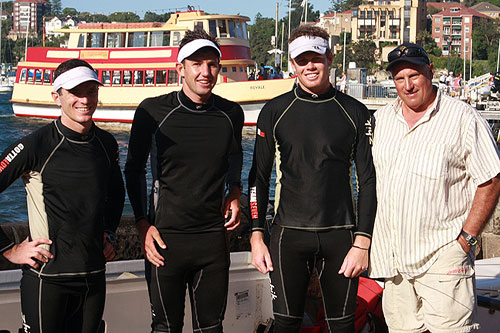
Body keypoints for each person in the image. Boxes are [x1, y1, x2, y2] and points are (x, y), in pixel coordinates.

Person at [248, 25, 377, 333]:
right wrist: (255, 235)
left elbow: (368, 180)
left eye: (316, 58)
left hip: (341, 237)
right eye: (301, 60)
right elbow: (258, 178)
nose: (309, 66)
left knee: (343, 326)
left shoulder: (355, 112)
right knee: (285, 324)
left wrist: (363, 240)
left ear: (330, 58)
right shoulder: (275, 111)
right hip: (287, 236)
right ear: (292, 64)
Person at [369, 43, 500, 332]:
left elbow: (491, 179)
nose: (408, 85)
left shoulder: (463, 118)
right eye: (400, 78)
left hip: (443, 257)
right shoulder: (381, 121)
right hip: (394, 264)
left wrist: (467, 239)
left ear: (430, 72)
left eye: (414, 75)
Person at [124, 29, 244, 333]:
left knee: (211, 328)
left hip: (212, 243)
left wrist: (234, 189)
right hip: (165, 241)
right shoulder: (152, 111)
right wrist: (142, 224)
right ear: (181, 69)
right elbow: (133, 170)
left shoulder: (231, 113)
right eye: (196, 64)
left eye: (212, 64)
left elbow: (234, 155)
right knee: (165, 328)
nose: (205, 72)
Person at [0, 58, 125, 333]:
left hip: (93, 276)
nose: (85, 99)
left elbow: (116, 193)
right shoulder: (36, 145)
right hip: (48, 278)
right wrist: (8, 249)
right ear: (57, 97)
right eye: (75, 92)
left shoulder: (106, 143)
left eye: (91, 90)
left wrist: (109, 233)